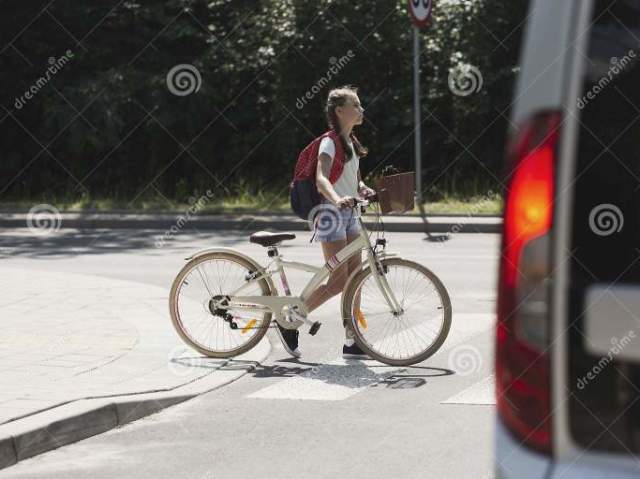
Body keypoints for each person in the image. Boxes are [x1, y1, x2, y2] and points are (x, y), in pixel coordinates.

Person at [277, 85, 376, 359]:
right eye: (355, 105)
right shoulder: (329, 142)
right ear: (339, 111)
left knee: (354, 279)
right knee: (337, 281)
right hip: (331, 213)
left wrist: (363, 190)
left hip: (350, 213)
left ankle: (352, 339)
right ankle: (290, 320)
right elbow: (321, 178)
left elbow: (353, 179)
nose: (361, 109)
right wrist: (336, 199)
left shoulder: (352, 143)